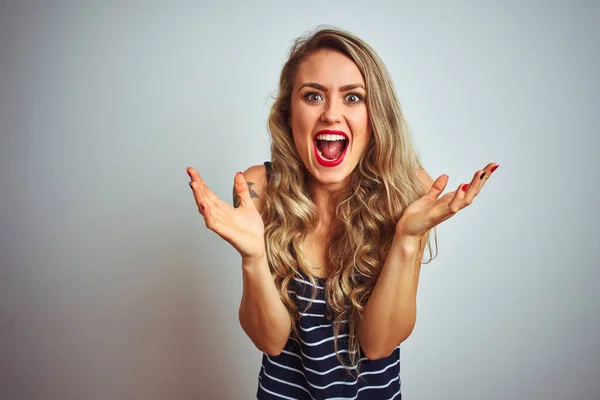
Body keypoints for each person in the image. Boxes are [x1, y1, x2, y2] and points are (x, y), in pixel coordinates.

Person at [187, 27, 498, 400]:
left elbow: (379, 345)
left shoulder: (408, 192)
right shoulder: (260, 188)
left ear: (374, 116)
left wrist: (407, 239)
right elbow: (269, 342)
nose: (331, 114)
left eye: (353, 97)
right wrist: (253, 258)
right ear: (289, 114)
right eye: (313, 96)